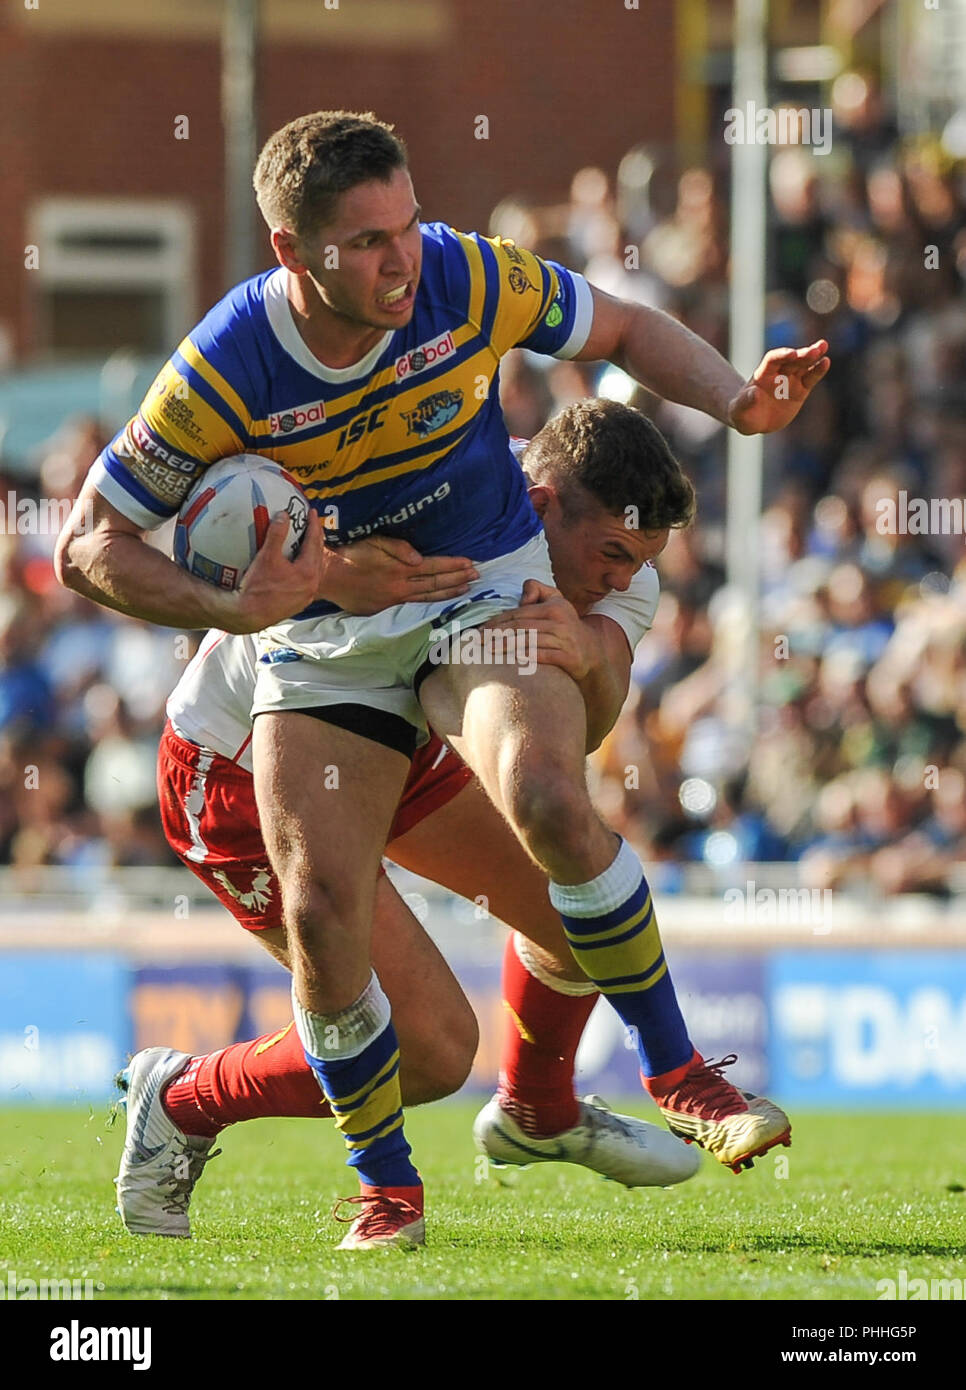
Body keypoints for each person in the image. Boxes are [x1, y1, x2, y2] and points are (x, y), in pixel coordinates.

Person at [57, 111, 828, 1249]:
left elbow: (617, 324)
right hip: (306, 669)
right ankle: (335, 1166)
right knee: (411, 1023)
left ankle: (657, 1079)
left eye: (408, 225)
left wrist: (737, 404)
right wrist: (241, 602)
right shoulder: (228, 365)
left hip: (471, 605)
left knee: (558, 811)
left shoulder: (465, 280)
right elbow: (87, 544)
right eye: (367, 242)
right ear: (292, 252)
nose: (403, 259)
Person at [117, 406, 708, 1240]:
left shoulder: (616, 565)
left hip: (395, 738)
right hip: (238, 761)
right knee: (429, 1052)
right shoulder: (437, 487)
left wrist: (584, 657)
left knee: (577, 909)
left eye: (638, 559)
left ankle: (536, 1109)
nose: (622, 581)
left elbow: (586, 725)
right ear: (540, 506)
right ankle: (182, 1099)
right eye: (611, 555)